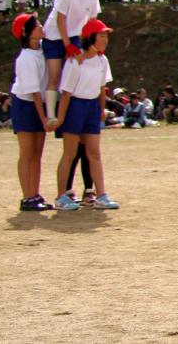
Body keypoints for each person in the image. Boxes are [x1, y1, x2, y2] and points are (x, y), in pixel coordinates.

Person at [53, 18, 117, 211]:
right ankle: (61, 197)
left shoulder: (102, 60)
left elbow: (102, 88)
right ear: (90, 37)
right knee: (70, 153)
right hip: (75, 106)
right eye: (101, 35)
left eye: (106, 36)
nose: (105, 39)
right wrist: (62, 118)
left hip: (92, 107)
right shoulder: (75, 61)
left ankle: (101, 195)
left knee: (94, 153)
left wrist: (102, 110)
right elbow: (66, 93)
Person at [42, 0, 101, 134]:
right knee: (54, 75)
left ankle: (72, 110)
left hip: (75, 36)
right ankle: (51, 115)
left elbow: (92, 21)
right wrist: (67, 45)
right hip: (54, 37)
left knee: (77, 69)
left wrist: (91, 44)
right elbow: (61, 20)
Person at [10, 14, 54, 211]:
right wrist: (44, 117)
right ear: (26, 33)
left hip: (39, 104)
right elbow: (34, 92)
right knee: (27, 153)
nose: (40, 25)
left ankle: (35, 195)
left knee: (37, 154)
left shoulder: (43, 48)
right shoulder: (25, 57)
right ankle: (27, 197)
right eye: (35, 24)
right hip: (26, 105)